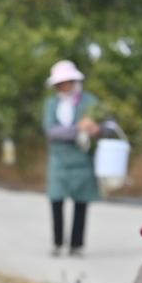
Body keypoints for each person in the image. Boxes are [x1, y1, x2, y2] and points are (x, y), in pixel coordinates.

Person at [42, 59, 100, 257]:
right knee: (56, 201)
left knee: (81, 203)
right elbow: (51, 131)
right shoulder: (52, 104)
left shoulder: (89, 102)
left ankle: (77, 244)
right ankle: (58, 242)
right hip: (59, 161)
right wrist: (76, 129)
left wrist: (92, 129)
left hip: (82, 160)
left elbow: (99, 125)